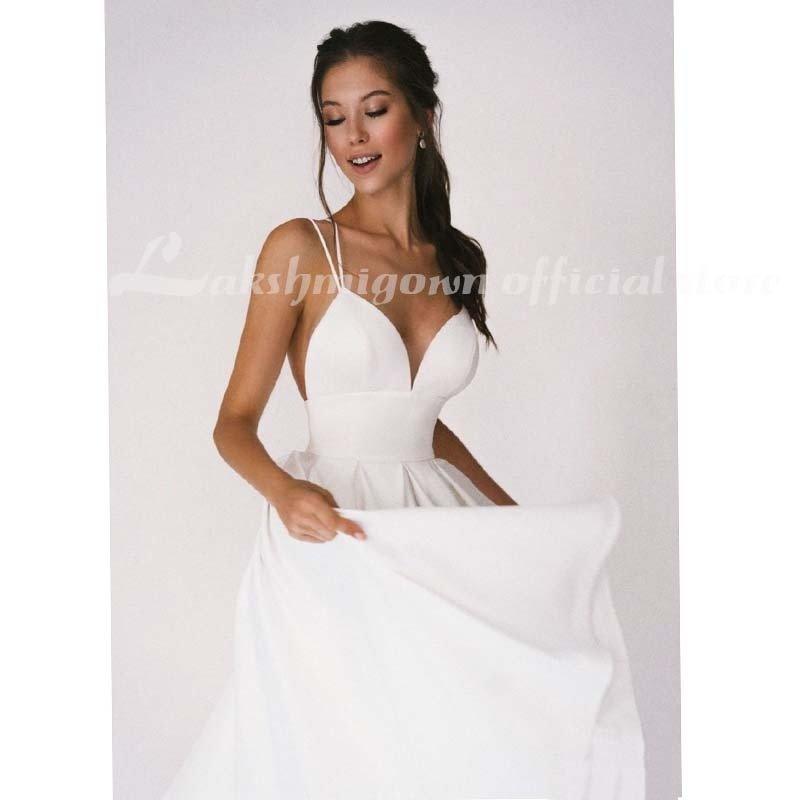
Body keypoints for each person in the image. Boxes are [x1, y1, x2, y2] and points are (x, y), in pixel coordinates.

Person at [162, 20, 645, 799]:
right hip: (336, 531)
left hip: (437, 526)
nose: (353, 135)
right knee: (347, 751)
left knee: (461, 742)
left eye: (374, 109)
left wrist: (509, 518)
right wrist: (285, 493)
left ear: (422, 114)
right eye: (333, 117)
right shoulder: (300, 248)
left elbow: (423, 424)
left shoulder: (454, 259)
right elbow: (233, 422)